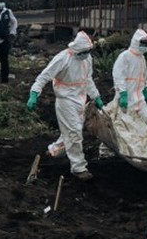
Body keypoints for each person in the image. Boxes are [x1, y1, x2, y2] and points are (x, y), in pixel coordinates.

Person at [26, 31, 102, 181]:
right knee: (74, 132)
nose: (86, 54)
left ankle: (55, 150)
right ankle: (78, 167)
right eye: (84, 52)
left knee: (73, 129)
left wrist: (96, 96)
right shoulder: (63, 59)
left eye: (88, 51)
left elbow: (88, 80)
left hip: (80, 99)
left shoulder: (87, 60)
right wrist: (34, 94)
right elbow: (44, 77)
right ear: (76, 49)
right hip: (65, 100)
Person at [113, 29, 147, 121]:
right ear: (136, 42)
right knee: (127, 122)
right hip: (128, 96)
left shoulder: (142, 58)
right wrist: (123, 93)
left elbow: (143, 76)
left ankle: (144, 136)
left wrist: (145, 90)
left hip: (139, 96)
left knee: (146, 119)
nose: (145, 46)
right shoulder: (125, 56)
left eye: (146, 44)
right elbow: (118, 75)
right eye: (143, 44)